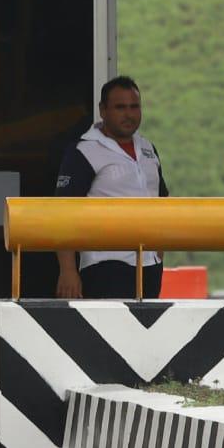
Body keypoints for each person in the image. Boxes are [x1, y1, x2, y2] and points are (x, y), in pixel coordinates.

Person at [55, 76, 170, 299]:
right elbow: (61, 213)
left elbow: (163, 199)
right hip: (105, 265)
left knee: (146, 332)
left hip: (150, 265)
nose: (129, 114)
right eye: (120, 107)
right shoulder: (83, 151)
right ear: (102, 110)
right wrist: (67, 270)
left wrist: (160, 250)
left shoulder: (148, 148)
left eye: (134, 106)